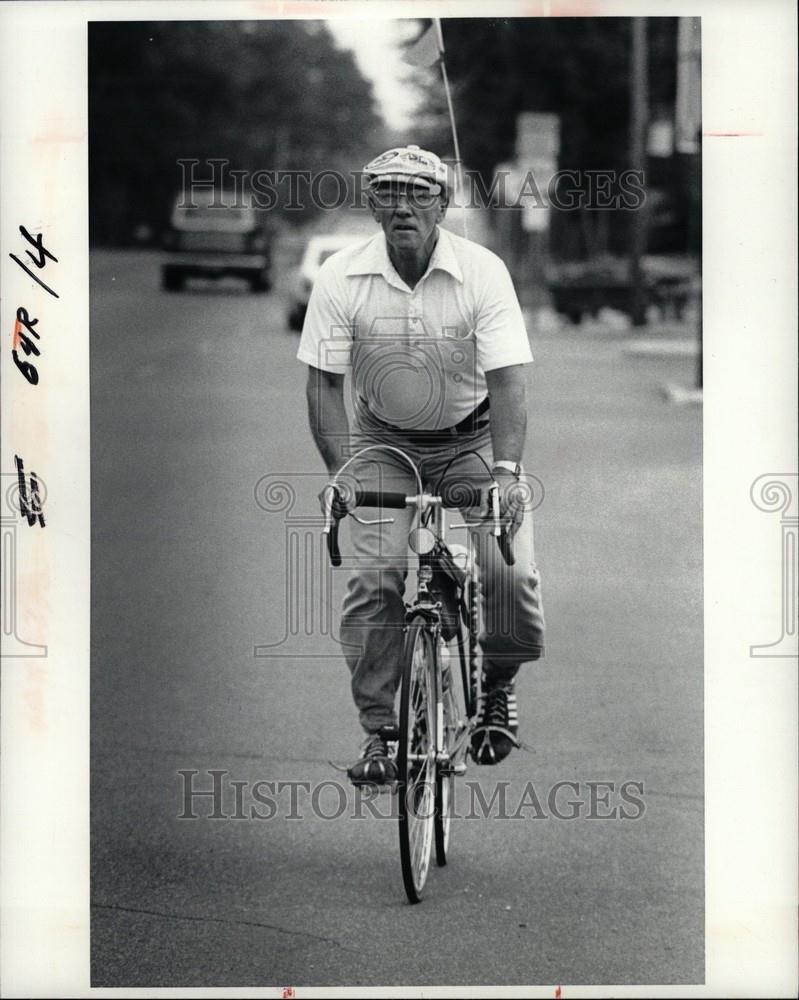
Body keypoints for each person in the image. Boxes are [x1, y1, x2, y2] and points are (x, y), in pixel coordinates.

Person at [297, 145, 545, 784]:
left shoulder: (483, 272)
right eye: (388, 193)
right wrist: (341, 474)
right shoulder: (340, 276)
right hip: (383, 445)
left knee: (508, 575)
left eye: (419, 193)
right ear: (372, 204)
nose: (403, 204)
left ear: (442, 203)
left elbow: (509, 381)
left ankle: (496, 686)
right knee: (373, 577)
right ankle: (382, 733)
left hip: (472, 443)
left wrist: (507, 473)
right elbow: (324, 385)